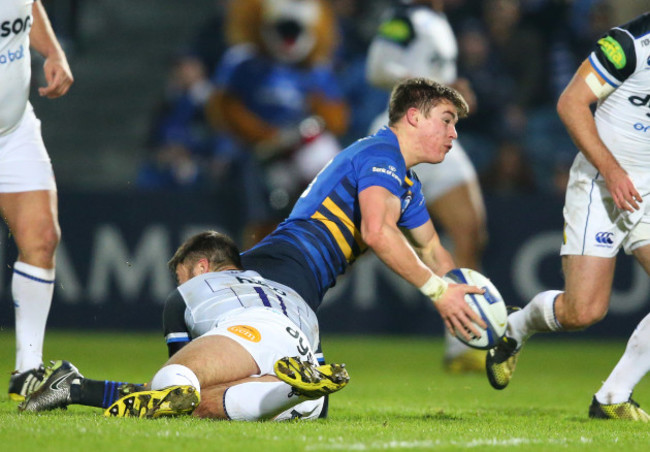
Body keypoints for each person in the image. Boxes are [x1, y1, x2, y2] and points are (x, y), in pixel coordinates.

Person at [239, 77, 487, 352]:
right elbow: (377, 232)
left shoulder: (407, 183)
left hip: (293, 276)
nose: (453, 133)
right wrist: (438, 292)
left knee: (291, 384)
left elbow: (431, 248)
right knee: (288, 384)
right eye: (446, 120)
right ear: (414, 117)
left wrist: (463, 298)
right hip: (283, 271)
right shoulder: (382, 155)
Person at [485, 12, 650, 421]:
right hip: (603, 181)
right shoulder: (630, 43)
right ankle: (517, 326)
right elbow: (572, 102)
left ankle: (612, 395)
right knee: (583, 311)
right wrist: (613, 172)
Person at [20, 231, 349, 420]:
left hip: (247, 331)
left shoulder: (189, 293)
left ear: (202, 267)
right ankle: (292, 391)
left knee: (175, 385)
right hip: (300, 360)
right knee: (226, 399)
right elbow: (324, 413)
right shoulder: (294, 297)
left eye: (180, 275)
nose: (178, 283)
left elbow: (177, 390)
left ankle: (77, 386)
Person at [365, 0, 488, 372]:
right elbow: (376, 67)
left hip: (435, 134)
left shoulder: (440, 20)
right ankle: (290, 304)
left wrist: (449, 92)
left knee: (470, 230)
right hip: (407, 132)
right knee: (359, 239)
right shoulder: (404, 18)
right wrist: (436, 88)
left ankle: (461, 343)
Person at [1, 0, 74, 401]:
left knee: (42, 238)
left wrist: (53, 51)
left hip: (13, 130)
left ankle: (27, 371)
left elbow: (27, 6)